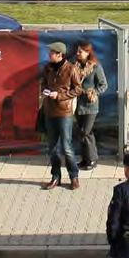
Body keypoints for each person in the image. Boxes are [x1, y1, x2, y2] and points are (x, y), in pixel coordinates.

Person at [40, 42, 83, 190]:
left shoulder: (71, 69)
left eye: (52, 52)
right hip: (49, 112)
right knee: (52, 148)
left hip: (64, 112)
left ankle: (74, 177)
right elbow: (43, 83)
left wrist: (59, 95)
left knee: (67, 146)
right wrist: (45, 90)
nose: (49, 54)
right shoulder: (47, 68)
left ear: (60, 54)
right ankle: (55, 177)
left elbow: (78, 89)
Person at [73, 40, 108, 171]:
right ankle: (85, 158)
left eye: (80, 51)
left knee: (86, 132)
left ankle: (92, 159)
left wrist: (94, 92)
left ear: (88, 53)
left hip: (90, 105)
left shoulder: (95, 67)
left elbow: (104, 84)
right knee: (82, 133)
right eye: (77, 51)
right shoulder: (75, 66)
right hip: (78, 104)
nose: (77, 53)